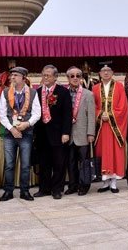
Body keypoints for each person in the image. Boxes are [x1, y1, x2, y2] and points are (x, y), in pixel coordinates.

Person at [0, 67, 40, 201]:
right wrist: (12, 129)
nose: (12, 78)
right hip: (10, 133)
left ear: (23, 78)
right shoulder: (5, 92)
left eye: (15, 75)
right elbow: (2, 114)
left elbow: (37, 113)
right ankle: (8, 191)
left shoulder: (32, 92)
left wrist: (26, 124)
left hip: (26, 132)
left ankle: (24, 191)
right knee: (9, 164)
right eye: (12, 75)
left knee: (26, 164)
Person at [33, 65, 72, 200]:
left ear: (55, 77)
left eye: (48, 75)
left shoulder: (63, 92)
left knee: (58, 164)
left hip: (58, 134)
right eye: (44, 75)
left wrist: (66, 133)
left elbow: (68, 114)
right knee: (43, 163)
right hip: (42, 135)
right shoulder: (36, 92)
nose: (46, 77)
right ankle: (44, 188)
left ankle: (57, 189)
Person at [93, 64, 128, 193]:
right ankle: (105, 182)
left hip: (115, 127)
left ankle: (113, 182)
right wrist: (100, 114)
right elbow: (94, 106)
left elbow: (123, 106)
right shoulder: (95, 88)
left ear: (112, 72)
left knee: (114, 152)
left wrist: (111, 115)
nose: (106, 73)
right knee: (102, 152)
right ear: (100, 73)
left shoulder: (119, 86)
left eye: (108, 71)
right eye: (103, 71)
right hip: (101, 126)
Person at [64, 66, 96, 196]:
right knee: (70, 162)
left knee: (84, 162)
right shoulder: (64, 93)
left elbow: (92, 115)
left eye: (78, 75)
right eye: (72, 76)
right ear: (68, 78)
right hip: (68, 134)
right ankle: (73, 185)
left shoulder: (88, 94)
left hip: (83, 134)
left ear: (81, 78)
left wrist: (91, 133)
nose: (75, 78)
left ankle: (84, 185)